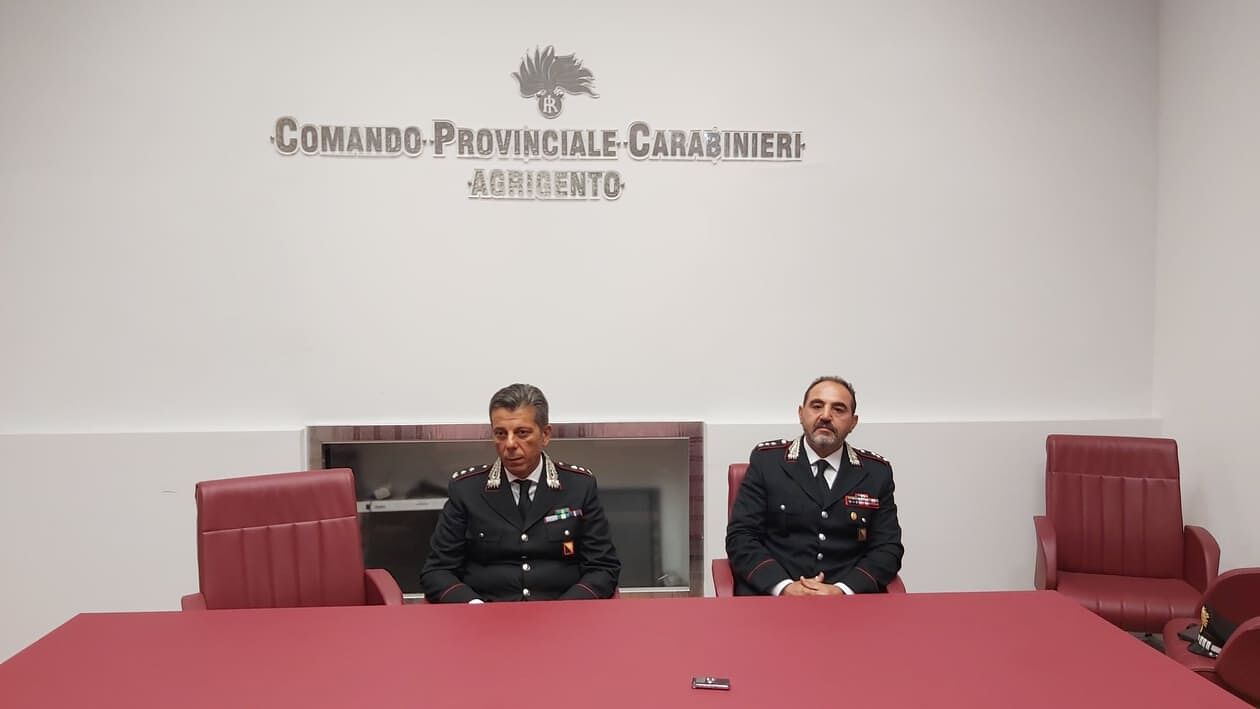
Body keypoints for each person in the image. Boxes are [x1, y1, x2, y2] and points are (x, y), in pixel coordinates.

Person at [421, 383, 621, 602]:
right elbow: (437, 571)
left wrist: (568, 608)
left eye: (522, 433)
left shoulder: (579, 486)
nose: (510, 444)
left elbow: (603, 567)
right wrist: (474, 606)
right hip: (486, 613)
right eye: (500, 433)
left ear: (545, 434)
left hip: (562, 612)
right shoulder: (467, 489)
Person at [725, 376, 903, 595]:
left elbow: (887, 548)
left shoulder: (876, 473)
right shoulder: (767, 461)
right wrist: (784, 587)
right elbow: (741, 537)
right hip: (772, 598)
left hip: (848, 602)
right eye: (817, 406)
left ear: (853, 422)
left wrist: (842, 590)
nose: (825, 416)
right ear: (801, 414)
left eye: (838, 409)